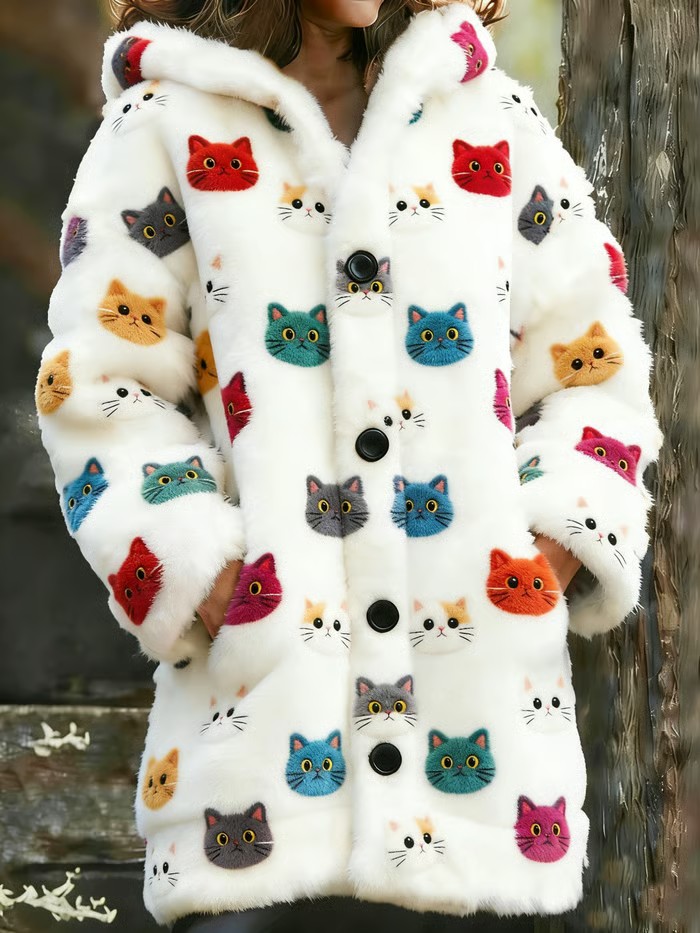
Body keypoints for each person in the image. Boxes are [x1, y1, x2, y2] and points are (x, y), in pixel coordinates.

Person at [35, 0, 662, 928]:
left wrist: (546, 554)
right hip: (258, 803)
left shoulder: (492, 121)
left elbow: (594, 368)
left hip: (487, 798)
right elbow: (100, 388)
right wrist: (211, 578)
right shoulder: (161, 128)